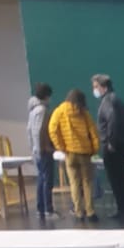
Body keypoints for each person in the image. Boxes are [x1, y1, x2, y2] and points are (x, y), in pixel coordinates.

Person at [91, 73, 124, 225]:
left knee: (116, 179)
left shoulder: (108, 102)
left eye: (96, 87)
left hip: (113, 146)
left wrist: (111, 142)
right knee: (123, 177)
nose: (94, 90)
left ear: (104, 87)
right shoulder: (118, 100)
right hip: (123, 143)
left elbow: (113, 121)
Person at [48, 88, 100, 223]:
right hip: (85, 153)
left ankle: (78, 212)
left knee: (74, 183)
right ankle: (90, 212)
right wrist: (95, 149)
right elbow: (93, 132)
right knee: (87, 183)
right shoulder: (84, 113)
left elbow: (52, 130)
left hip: (70, 154)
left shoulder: (59, 111)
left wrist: (61, 147)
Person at [26, 81, 54, 223]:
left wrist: (33, 149)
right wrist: (40, 149)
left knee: (41, 179)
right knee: (47, 180)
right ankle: (48, 209)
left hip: (37, 150)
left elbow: (29, 130)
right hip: (43, 150)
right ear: (46, 96)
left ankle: (41, 209)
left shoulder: (33, 110)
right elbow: (37, 131)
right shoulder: (41, 110)